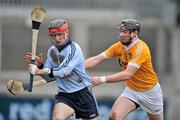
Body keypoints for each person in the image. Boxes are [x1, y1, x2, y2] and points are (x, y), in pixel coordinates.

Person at [84, 19, 164, 120]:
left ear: (135, 33)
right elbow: (96, 59)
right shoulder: (118, 46)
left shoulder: (141, 49)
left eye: (125, 32)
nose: (121, 34)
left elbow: (127, 74)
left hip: (150, 92)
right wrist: (76, 68)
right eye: (121, 31)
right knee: (114, 116)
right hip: (131, 91)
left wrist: (101, 79)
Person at [25, 19, 99, 120]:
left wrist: (38, 71)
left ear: (66, 33)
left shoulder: (74, 49)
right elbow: (48, 76)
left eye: (60, 34)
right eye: (54, 35)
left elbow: (63, 71)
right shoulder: (52, 51)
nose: (57, 38)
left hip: (83, 93)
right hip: (64, 96)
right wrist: (41, 66)